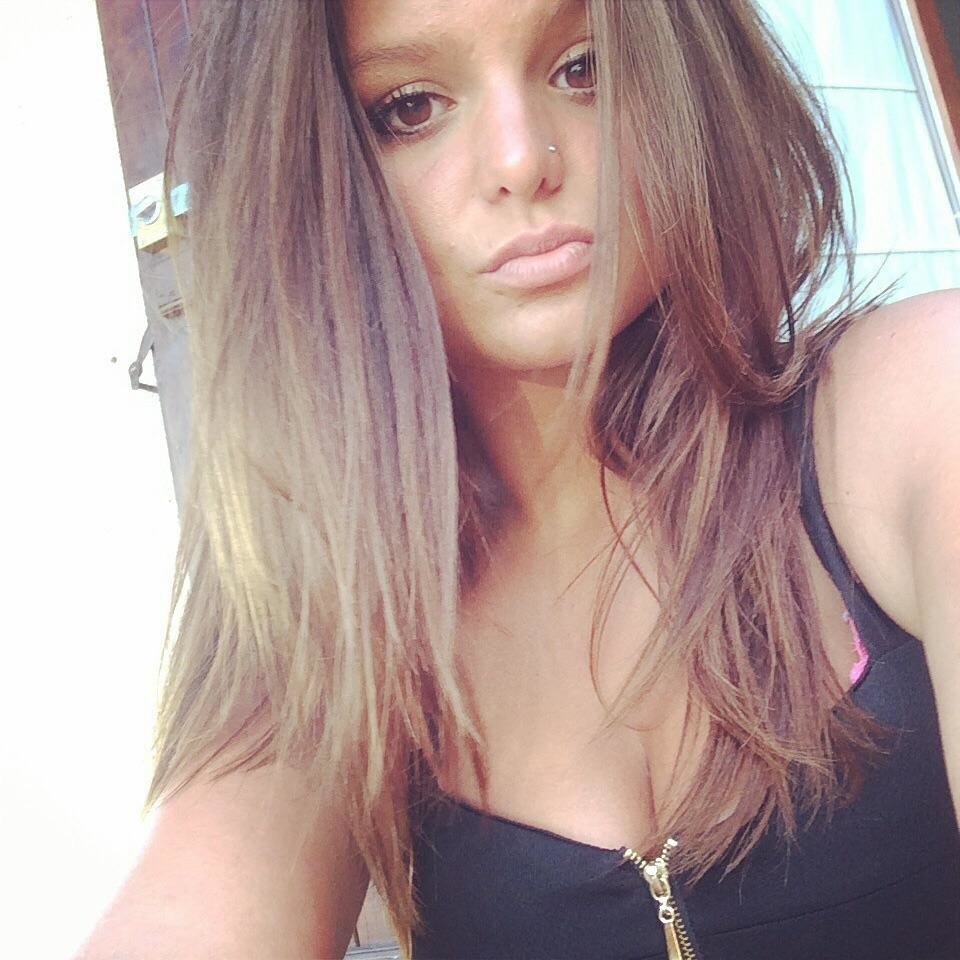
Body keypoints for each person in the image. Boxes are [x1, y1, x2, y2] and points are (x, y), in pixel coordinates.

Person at [76, 1, 960, 958]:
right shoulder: (323, 577)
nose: (521, 159)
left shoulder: (918, 400)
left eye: (585, 67)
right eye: (409, 107)